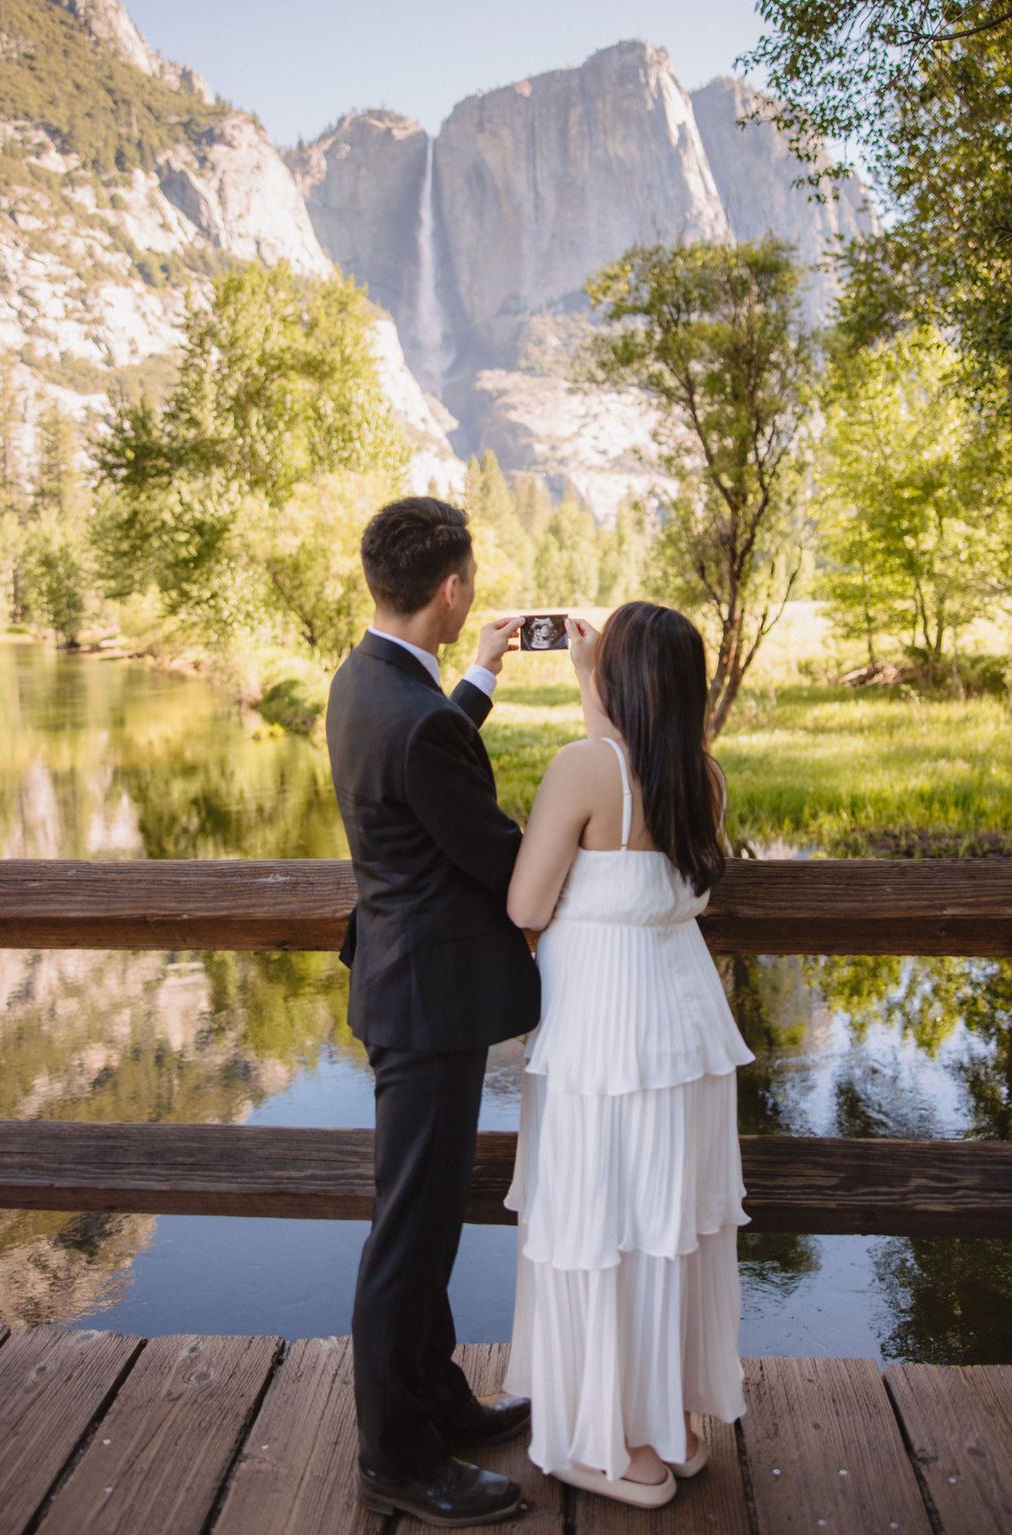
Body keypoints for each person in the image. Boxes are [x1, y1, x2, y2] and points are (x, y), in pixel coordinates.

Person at [503, 601, 754, 1509]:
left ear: (626, 680)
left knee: (596, 1222)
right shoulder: (701, 777)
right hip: (682, 1033)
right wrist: (589, 685)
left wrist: (589, 704)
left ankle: (611, 1444)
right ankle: (670, 1426)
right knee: (666, 1224)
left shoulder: (583, 768)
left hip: (603, 1037)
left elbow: (529, 905)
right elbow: (626, 776)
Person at [326, 496, 542, 1528]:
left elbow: (426, 758)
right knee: (409, 1235)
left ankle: (439, 1400)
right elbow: (502, 858)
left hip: (399, 982)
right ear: (450, 589)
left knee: (419, 1219)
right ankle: (397, 1455)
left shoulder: (363, 677)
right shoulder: (414, 722)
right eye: (472, 589)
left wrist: (485, 673)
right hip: (429, 1000)